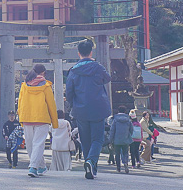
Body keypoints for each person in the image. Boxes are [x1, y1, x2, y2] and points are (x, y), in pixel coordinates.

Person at [64, 38, 112, 180]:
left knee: (84, 139)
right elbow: (108, 78)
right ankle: (91, 162)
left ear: (78, 53)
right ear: (91, 52)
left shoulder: (73, 71)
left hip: (80, 109)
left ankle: (89, 165)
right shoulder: (98, 67)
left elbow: (69, 91)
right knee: (97, 139)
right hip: (98, 108)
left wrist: (73, 104)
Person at [17, 64, 59, 178]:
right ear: (43, 73)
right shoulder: (46, 86)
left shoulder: (24, 85)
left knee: (30, 145)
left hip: (26, 117)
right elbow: (51, 104)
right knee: (38, 144)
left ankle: (41, 166)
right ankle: (33, 167)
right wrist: (55, 122)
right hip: (42, 118)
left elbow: (20, 103)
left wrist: (21, 117)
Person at [109, 106, 133, 173]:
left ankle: (118, 168)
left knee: (117, 154)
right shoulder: (128, 120)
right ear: (125, 111)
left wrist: (110, 140)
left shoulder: (115, 120)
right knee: (125, 152)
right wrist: (128, 135)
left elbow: (112, 130)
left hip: (116, 140)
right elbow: (131, 129)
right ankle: (125, 163)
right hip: (125, 139)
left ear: (118, 111)